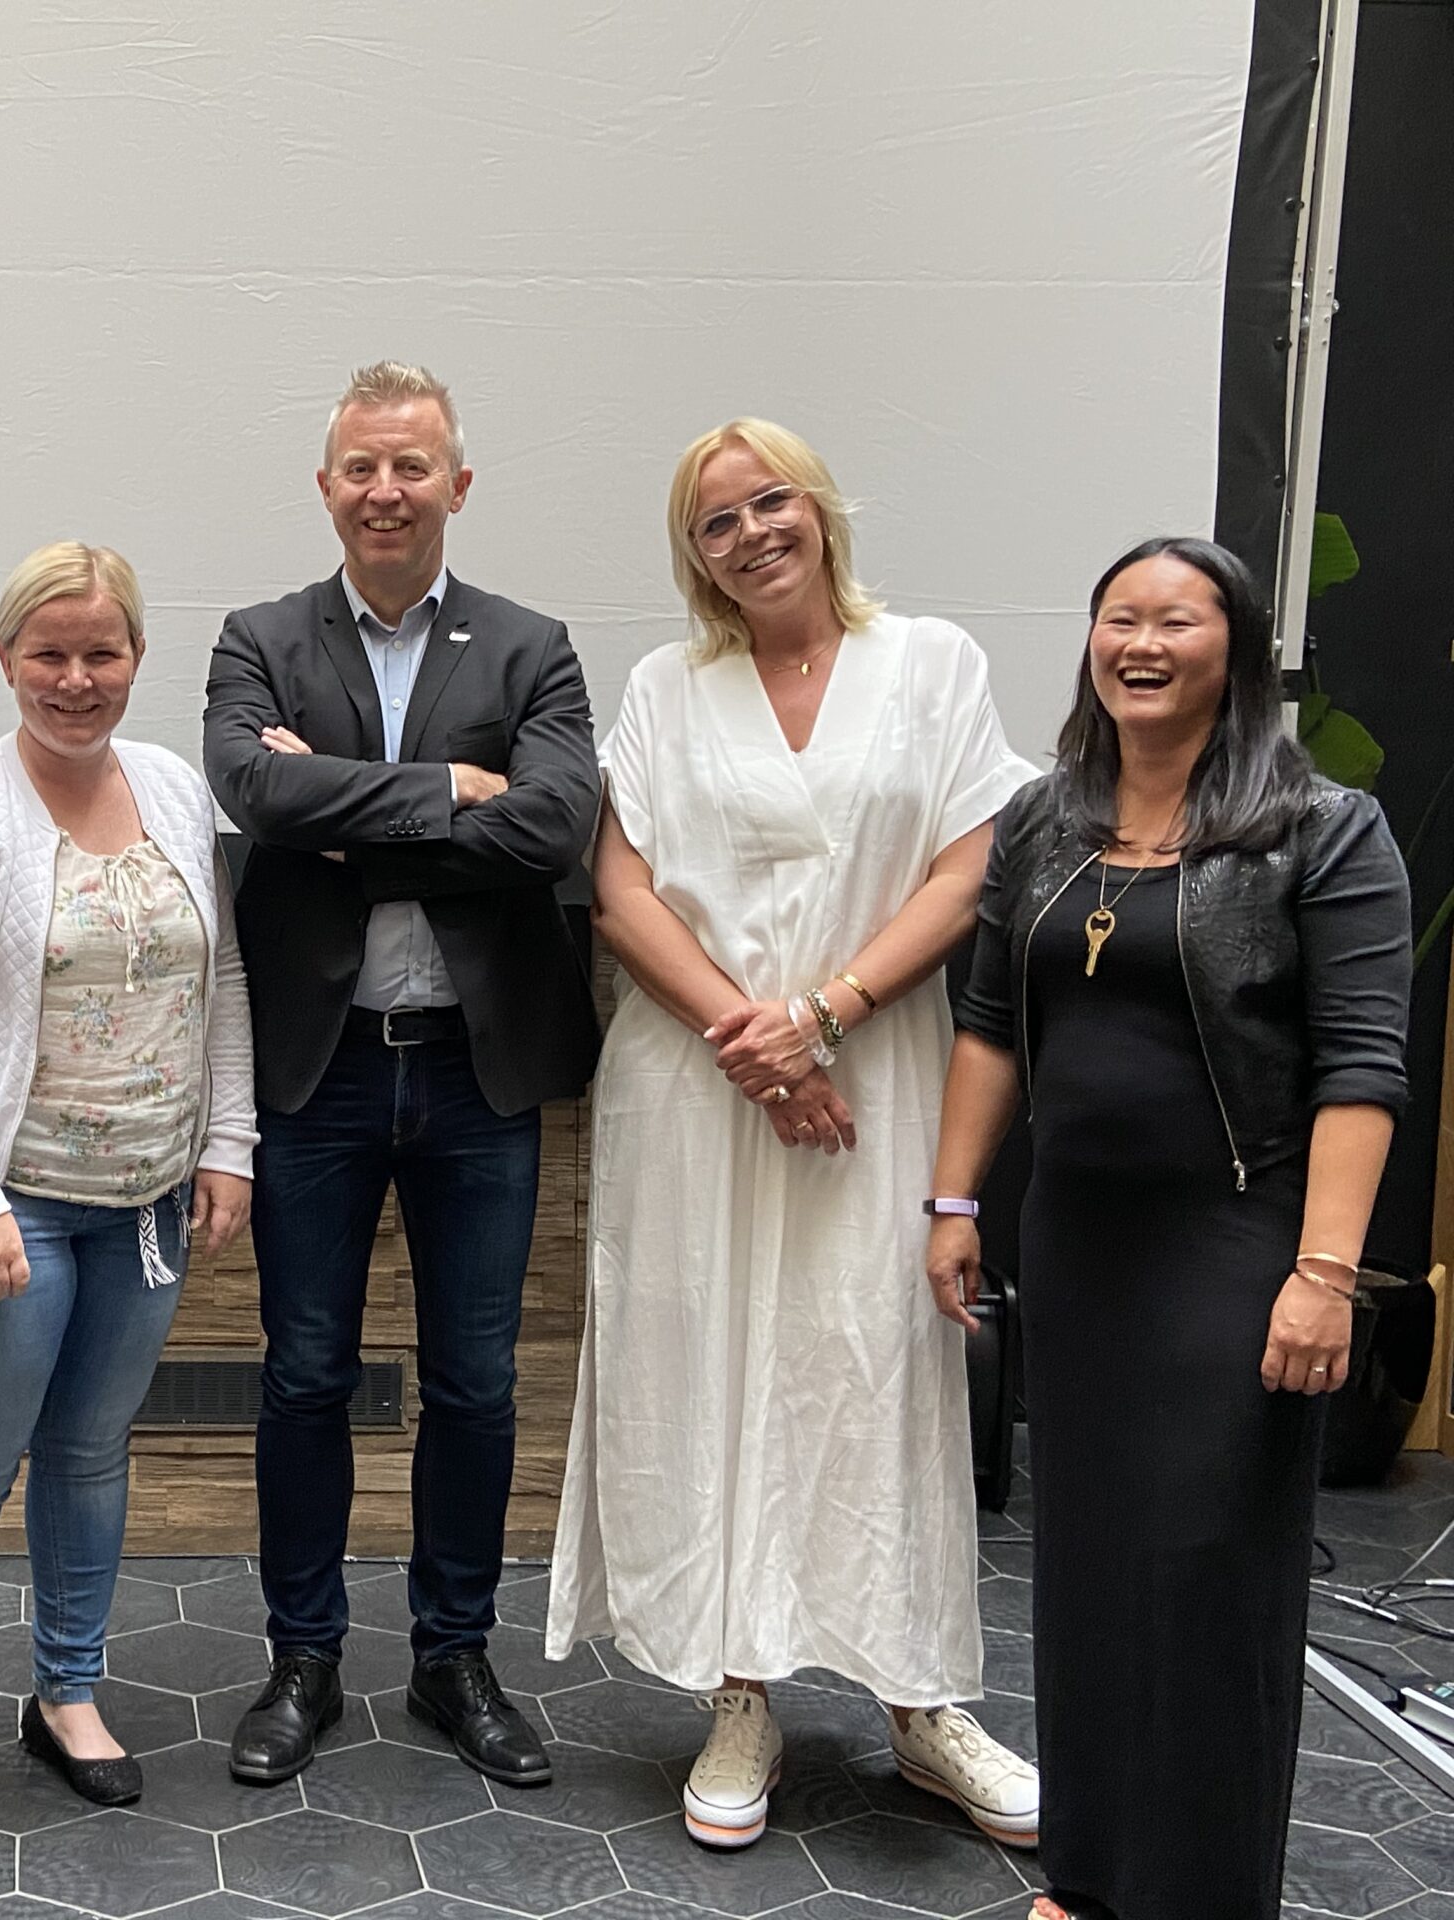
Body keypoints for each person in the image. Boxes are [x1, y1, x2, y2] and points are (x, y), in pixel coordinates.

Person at [544, 418, 1041, 1851]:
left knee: (873, 1366)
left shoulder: (932, 663)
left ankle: (919, 1701)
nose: (753, 531)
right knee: (710, 1372)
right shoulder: (665, 684)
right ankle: (741, 1690)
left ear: (819, 509)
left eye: (772, 502)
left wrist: (821, 1018)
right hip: (699, 1090)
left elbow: (974, 860)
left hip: (875, 1080)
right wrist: (759, 1053)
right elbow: (622, 887)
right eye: (717, 521)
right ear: (692, 557)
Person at [928, 538, 1409, 1919]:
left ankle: (1196, 1894)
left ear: (1238, 649)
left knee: (1205, 1584)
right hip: (1081, 1249)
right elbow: (990, 1024)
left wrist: (1324, 1275)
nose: (1140, 643)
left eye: (1176, 621)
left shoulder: (1325, 829)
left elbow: (1362, 1070)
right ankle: (1086, 1878)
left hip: (1239, 1250)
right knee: (1087, 1575)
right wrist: (956, 1199)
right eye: (1118, 618)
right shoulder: (1044, 822)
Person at [203, 362, 601, 1789]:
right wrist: (453, 794)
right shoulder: (257, 637)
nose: (386, 490)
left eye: (412, 467)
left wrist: (348, 815)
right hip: (319, 1073)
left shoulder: (533, 646)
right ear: (326, 486)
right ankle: (301, 1657)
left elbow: (554, 829)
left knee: (475, 1383)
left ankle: (454, 1659)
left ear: (456, 485)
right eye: (361, 467)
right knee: (305, 1376)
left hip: (473, 1075)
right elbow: (253, 794)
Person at [0, 542, 256, 1841]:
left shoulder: (169, 785)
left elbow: (225, 978)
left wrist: (230, 1144)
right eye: (50, 652)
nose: (77, 678)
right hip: (4, 1201)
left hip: (143, 1195)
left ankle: (68, 1694)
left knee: (92, 1456)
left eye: (103, 652)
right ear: (5, 660)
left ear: (137, 658)